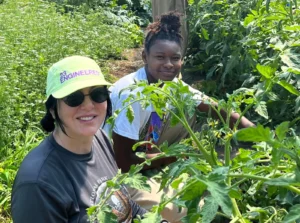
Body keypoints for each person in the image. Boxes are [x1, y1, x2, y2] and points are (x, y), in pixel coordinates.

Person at [105, 11, 255, 222]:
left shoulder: (173, 86)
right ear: (144, 57)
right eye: (160, 57)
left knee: (202, 192)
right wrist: (179, 156)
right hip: (118, 168)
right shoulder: (132, 94)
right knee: (177, 211)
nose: (168, 64)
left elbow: (216, 108)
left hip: (149, 153)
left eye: (175, 58)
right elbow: (123, 162)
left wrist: (255, 132)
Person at [11, 56, 148, 223]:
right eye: (74, 98)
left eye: (97, 94)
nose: (88, 105)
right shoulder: (37, 184)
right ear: (53, 109)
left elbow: (121, 202)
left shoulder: (99, 138)